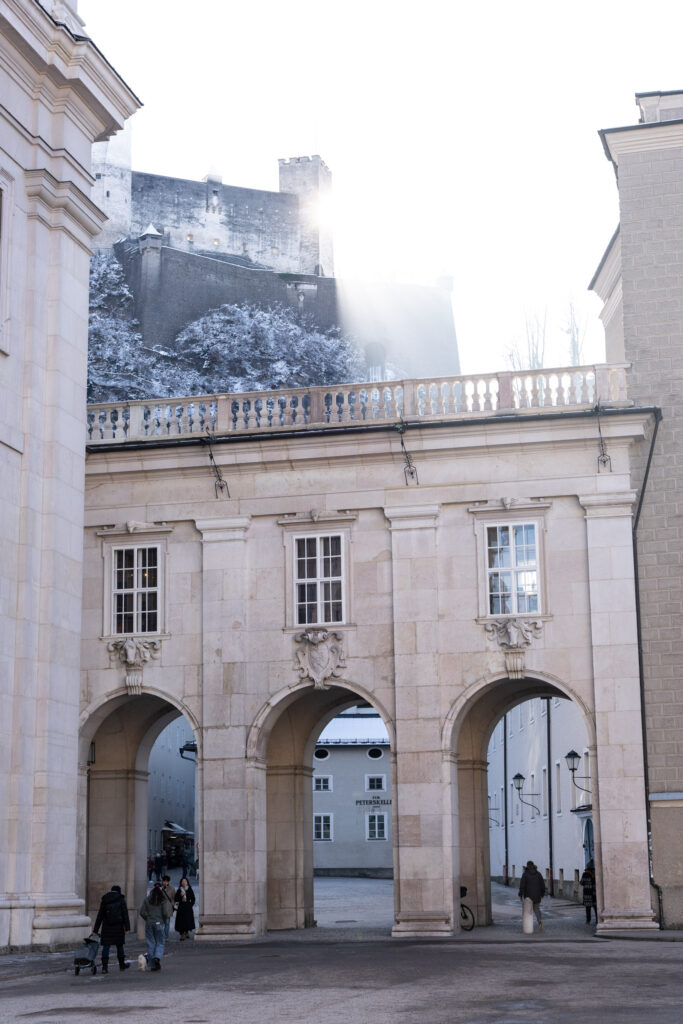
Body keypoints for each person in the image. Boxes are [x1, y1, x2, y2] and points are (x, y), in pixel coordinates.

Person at [93, 884, 131, 973]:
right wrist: (127, 928)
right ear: (119, 891)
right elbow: (125, 914)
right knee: (119, 946)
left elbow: (100, 916)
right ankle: (122, 965)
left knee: (106, 946)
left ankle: (104, 967)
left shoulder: (105, 899)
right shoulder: (121, 899)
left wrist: (95, 930)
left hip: (107, 926)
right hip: (118, 926)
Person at [139, 882, 170, 970]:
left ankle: (153, 965)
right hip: (159, 923)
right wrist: (163, 921)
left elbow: (142, 912)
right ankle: (157, 957)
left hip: (149, 923)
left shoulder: (147, 899)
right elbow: (165, 913)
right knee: (160, 942)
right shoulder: (163, 900)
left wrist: (148, 918)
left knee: (151, 943)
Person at [518, 860, 546, 931]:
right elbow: (542, 885)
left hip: (528, 896)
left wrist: (520, 894)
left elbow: (522, 885)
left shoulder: (525, 874)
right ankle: (540, 921)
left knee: (528, 911)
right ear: (533, 865)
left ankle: (528, 926)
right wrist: (542, 894)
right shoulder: (538, 874)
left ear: (527, 866)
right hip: (537, 896)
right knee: (536, 909)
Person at [174, 876, 196, 940]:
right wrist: (176, 907)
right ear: (181, 883)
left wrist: (190, 905)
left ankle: (186, 931)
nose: (184, 882)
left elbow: (193, 898)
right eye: (182, 881)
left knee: (187, 920)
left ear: (187, 882)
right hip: (181, 907)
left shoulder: (189, 889)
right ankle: (182, 934)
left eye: (185, 881)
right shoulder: (179, 890)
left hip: (188, 907)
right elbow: (176, 899)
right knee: (181, 921)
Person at [580, 859, 597, 924]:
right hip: (595, 893)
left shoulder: (585, 874)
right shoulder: (596, 874)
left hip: (587, 894)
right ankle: (597, 920)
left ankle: (588, 920)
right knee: (596, 908)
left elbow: (581, 883)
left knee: (588, 908)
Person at [160, 874, 176, 941]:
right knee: (160, 924)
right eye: (164, 881)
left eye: (166, 881)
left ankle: (166, 937)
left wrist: (173, 905)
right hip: (160, 907)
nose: (165, 882)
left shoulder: (172, 888)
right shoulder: (159, 888)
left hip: (168, 908)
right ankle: (161, 936)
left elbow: (174, 898)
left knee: (167, 923)